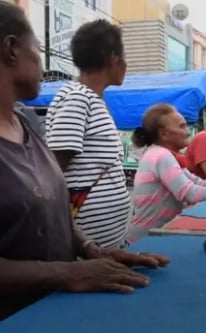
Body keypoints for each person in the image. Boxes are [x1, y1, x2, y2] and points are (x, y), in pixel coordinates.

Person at [0, 2, 169, 321]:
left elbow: (52, 198)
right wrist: (69, 273)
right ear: (11, 49)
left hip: (55, 310)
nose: (41, 60)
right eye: (37, 47)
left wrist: (92, 250)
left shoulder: (24, 126)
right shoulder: (76, 98)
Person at [45, 20, 131, 249]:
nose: (126, 63)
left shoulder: (91, 100)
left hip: (106, 244)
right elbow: (51, 169)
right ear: (113, 58)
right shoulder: (78, 98)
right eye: (124, 56)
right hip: (87, 248)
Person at [127, 104, 206, 243]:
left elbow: (196, 181)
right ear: (163, 133)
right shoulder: (160, 156)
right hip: (146, 240)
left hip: (156, 233)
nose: (187, 132)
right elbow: (189, 192)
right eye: (182, 127)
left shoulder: (166, 155)